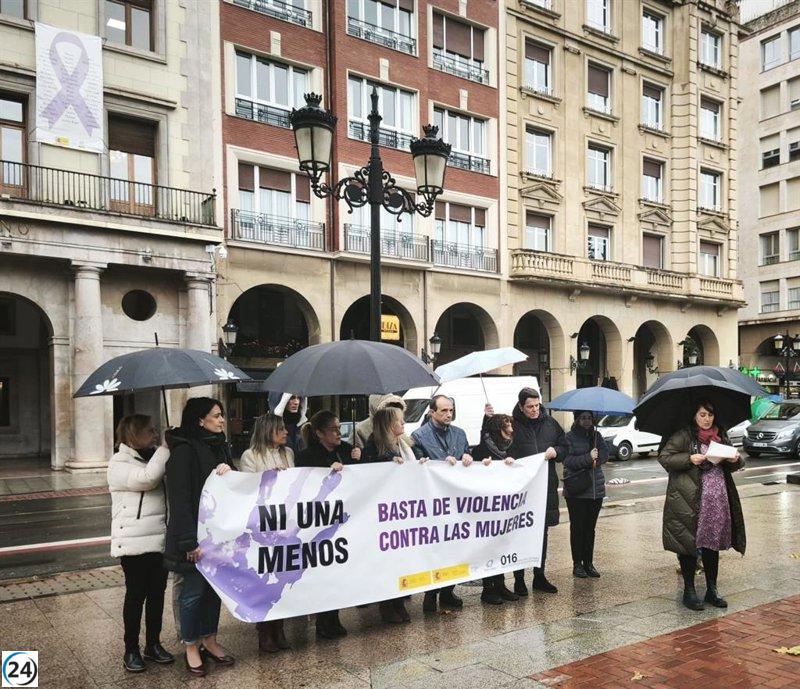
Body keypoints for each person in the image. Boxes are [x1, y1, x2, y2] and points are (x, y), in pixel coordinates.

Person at [164, 397, 234, 677]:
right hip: (194, 537)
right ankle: (191, 645)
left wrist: (228, 471)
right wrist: (187, 543)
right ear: (199, 420)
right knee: (192, 593)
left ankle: (210, 639)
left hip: (217, 535)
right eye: (216, 416)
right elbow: (180, 499)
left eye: (222, 415)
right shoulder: (183, 451)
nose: (221, 420)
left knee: (212, 591)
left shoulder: (219, 447)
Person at [659, 400, 746, 611]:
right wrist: (689, 458)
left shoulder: (720, 435)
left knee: (711, 542)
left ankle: (712, 590)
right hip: (690, 499)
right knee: (689, 542)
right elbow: (665, 457)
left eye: (710, 415)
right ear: (694, 416)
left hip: (716, 499)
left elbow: (735, 463)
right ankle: (689, 591)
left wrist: (735, 460)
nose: (707, 419)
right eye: (702, 415)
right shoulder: (684, 435)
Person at [107, 414, 174, 673]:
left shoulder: (151, 455)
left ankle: (153, 644)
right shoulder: (119, 462)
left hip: (159, 538)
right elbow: (147, 479)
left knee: (157, 595)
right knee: (136, 596)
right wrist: (165, 449)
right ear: (133, 435)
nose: (155, 435)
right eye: (149, 431)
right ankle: (131, 649)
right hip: (134, 542)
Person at [296, 410, 361, 638]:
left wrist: (357, 459)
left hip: (345, 520)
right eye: (333, 429)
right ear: (319, 433)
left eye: (338, 428)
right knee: (324, 571)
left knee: (340, 571)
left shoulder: (346, 450)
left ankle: (334, 616)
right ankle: (324, 619)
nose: (338, 433)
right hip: (321, 522)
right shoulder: (306, 456)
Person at [411, 394, 473, 612]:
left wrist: (467, 457)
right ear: (432, 412)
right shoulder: (418, 436)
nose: (448, 414)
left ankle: (448, 591)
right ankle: (431, 593)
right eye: (444, 411)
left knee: (455, 546)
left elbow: (468, 454)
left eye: (451, 410)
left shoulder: (459, 433)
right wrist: (438, 464)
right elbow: (418, 466)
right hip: (434, 502)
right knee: (436, 549)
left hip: (457, 501)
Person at [239, 414, 294, 653]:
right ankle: (264, 630)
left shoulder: (288, 453)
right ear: (268, 431)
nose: (285, 433)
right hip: (262, 527)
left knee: (281, 575)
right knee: (264, 577)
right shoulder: (250, 456)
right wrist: (270, 477)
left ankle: (279, 627)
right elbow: (249, 489)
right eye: (280, 429)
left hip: (285, 525)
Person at [509, 387, 567, 595]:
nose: (535, 410)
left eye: (537, 405)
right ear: (521, 407)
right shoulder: (512, 425)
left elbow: (564, 446)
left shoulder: (550, 423)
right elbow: (499, 447)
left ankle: (539, 576)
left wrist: (557, 451)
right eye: (530, 407)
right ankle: (518, 578)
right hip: (521, 490)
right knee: (519, 532)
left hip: (544, 487)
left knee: (541, 533)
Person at [362, 406, 415, 623]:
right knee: (387, 560)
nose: (403, 424)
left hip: (403, 511)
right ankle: (387, 603)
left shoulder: (405, 446)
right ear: (387, 425)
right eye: (399, 421)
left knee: (401, 559)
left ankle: (399, 601)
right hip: (383, 514)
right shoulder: (374, 448)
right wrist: (387, 465)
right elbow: (367, 474)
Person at [474, 413, 520, 605]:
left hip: (505, 505)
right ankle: (488, 588)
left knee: (502, 545)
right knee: (489, 547)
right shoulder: (483, 448)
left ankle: (500, 584)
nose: (510, 424)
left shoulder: (512, 445)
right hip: (487, 506)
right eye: (506, 422)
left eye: (510, 421)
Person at [563, 411, 608, 579]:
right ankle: (577, 564)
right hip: (577, 490)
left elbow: (604, 453)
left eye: (589, 418)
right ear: (577, 419)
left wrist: (598, 459)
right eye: (583, 418)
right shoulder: (569, 437)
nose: (587, 421)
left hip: (596, 490)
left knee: (590, 528)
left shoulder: (597, 435)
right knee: (578, 528)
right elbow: (568, 461)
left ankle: (589, 562)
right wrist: (588, 458)